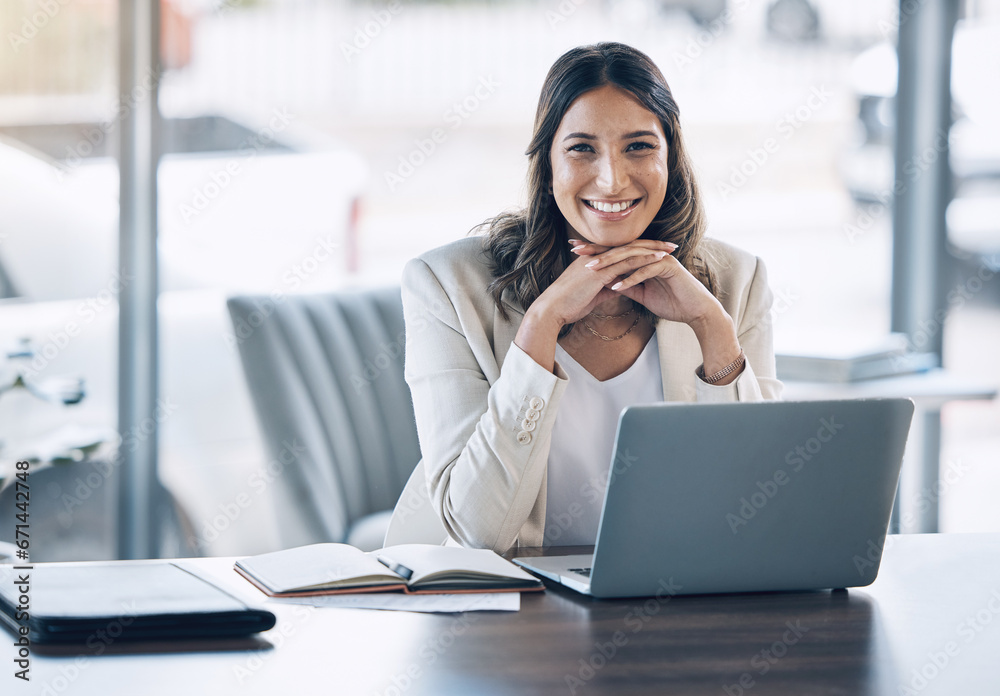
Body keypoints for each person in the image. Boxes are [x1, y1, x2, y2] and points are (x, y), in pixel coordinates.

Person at [394, 42, 782, 555]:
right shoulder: (446, 284)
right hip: (515, 599)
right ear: (547, 166)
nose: (612, 180)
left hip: (672, 592)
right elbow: (477, 533)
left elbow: (756, 515)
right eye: (581, 149)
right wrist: (541, 325)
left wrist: (713, 329)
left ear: (671, 159)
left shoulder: (738, 281)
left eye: (639, 146)